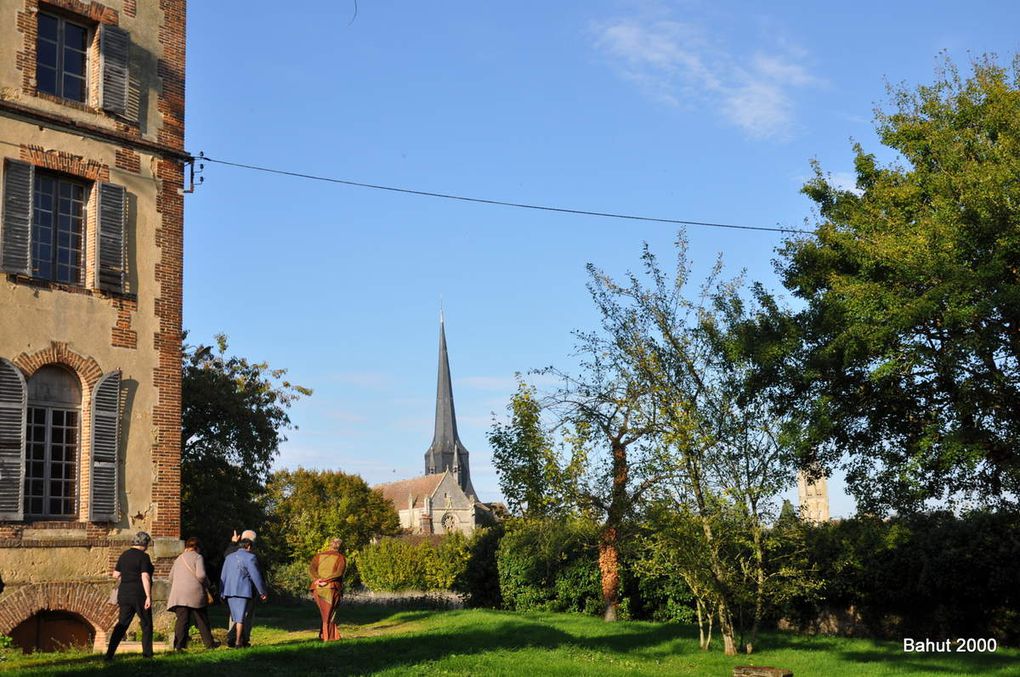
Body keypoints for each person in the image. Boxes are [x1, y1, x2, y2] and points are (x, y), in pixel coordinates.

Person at [105, 531, 155, 661]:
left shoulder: (124, 555)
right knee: (146, 624)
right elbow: (145, 576)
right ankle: (147, 655)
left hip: (124, 594)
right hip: (139, 594)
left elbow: (115, 574)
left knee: (122, 624)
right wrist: (148, 596)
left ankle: (109, 654)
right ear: (144, 543)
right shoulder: (144, 557)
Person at [167, 536, 218, 650]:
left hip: (179, 594)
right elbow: (201, 575)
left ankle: (179, 646)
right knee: (201, 619)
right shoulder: (198, 557)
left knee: (182, 620)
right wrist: (208, 584)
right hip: (194, 593)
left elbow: (170, 577)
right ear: (198, 547)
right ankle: (209, 644)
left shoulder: (179, 558)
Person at [220, 537, 267, 648]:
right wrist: (262, 592)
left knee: (235, 616)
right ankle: (238, 642)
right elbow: (256, 576)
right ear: (249, 546)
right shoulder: (250, 557)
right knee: (241, 618)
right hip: (243, 591)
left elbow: (224, 575)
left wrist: (221, 592)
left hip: (229, 591)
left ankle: (234, 639)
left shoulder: (229, 557)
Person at [309, 538, 347, 641]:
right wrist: (326, 580)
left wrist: (317, 579)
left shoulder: (318, 556)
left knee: (325, 613)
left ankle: (324, 635)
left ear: (329, 545)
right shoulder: (341, 558)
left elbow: (311, 569)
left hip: (317, 587)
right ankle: (329, 637)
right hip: (331, 588)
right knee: (329, 614)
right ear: (340, 547)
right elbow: (339, 573)